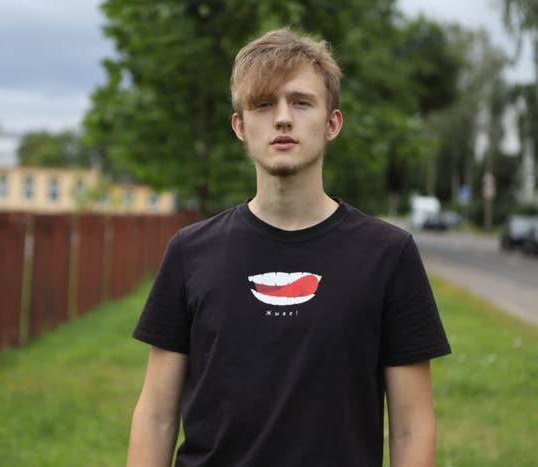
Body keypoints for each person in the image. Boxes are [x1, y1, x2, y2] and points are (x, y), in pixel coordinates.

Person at [127, 28, 451, 467]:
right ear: (240, 126)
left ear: (332, 122)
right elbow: (156, 416)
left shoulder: (388, 255)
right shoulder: (190, 252)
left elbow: (412, 426)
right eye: (264, 103)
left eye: (300, 102)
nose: (283, 118)